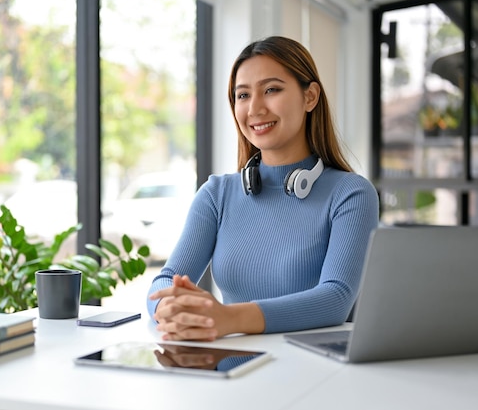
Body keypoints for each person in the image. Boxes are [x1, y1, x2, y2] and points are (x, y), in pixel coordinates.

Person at [147, 36, 379, 342]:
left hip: (312, 377)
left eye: (271, 90)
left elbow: (335, 299)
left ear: (310, 97)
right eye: (242, 95)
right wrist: (168, 306)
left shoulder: (351, 194)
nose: (255, 108)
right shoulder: (217, 194)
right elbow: (165, 279)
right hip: (228, 373)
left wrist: (229, 319)